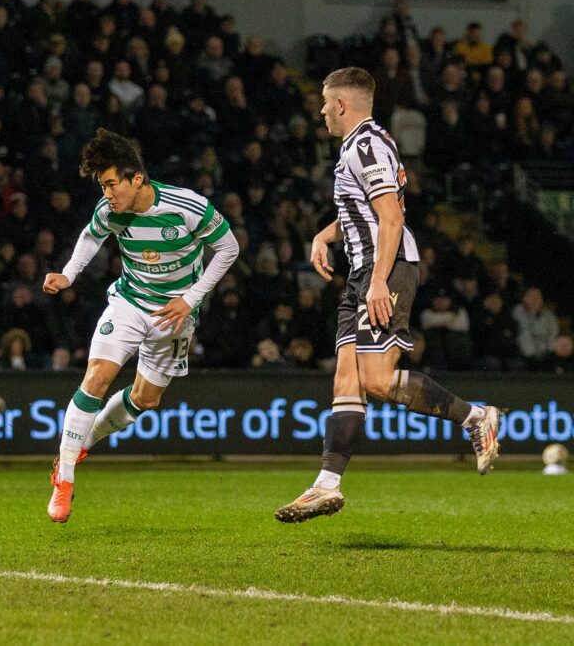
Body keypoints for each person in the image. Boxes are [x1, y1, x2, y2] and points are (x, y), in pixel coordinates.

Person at [275, 68, 502, 524]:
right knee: (346, 380)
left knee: (376, 380)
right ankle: (326, 484)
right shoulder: (362, 145)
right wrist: (324, 235)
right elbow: (362, 210)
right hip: (363, 273)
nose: (322, 111)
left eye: (325, 103)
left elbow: (391, 218)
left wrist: (379, 281)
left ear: (342, 104)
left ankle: (476, 417)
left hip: (386, 269)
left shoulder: (366, 145)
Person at [43, 128, 240, 523]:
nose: (107, 194)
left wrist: (191, 298)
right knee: (96, 377)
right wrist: (68, 274)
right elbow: (90, 237)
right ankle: (64, 477)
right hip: (130, 303)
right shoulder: (110, 211)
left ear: (137, 178)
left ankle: (83, 440)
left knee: (146, 399)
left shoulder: (187, 206)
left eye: (111, 184)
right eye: (102, 186)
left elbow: (228, 248)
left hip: (174, 315)